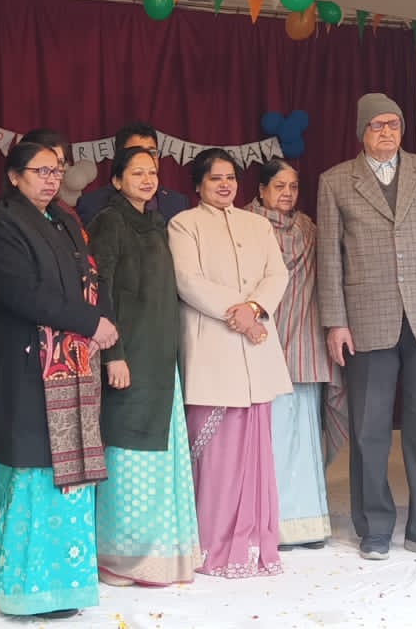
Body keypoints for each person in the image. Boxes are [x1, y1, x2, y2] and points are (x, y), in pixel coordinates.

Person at [0, 140, 120, 617]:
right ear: (14, 176)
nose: (51, 179)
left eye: (56, 171)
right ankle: (28, 591)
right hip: (25, 369)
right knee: (33, 471)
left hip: (72, 369)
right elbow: (22, 293)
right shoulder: (0, 226)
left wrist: (101, 320)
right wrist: (89, 322)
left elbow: (92, 278)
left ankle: (67, 588)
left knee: (70, 475)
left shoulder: (64, 221)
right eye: (40, 171)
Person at [316, 93, 416, 562]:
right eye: (377, 125)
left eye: (394, 124)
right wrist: (335, 321)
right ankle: (374, 526)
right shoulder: (335, 180)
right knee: (369, 429)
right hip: (366, 318)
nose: (387, 132)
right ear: (361, 131)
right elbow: (329, 257)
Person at [170, 148, 292, 578]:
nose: (225, 185)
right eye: (215, 178)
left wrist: (254, 308)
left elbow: (277, 275)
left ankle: (254, 544)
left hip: (255, 350)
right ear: (198, 185)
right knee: (216, 456)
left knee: (256, 452)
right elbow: (188, 281)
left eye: (230, 178)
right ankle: (212, 543)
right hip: (213, 347)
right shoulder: (183, 224)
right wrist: (239, 313)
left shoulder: (257, 224)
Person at [87, 146, 202, 586]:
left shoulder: (157, 225)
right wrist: (112, 354)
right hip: (128, 356)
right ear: (117, 180)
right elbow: (100, 291)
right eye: (137, 173)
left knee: (158, 454)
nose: (147, 180)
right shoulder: (109, 223)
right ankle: (118, 558)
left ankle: (157, 555)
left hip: (160, 357)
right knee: (126, 452)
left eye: (152, 172)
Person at [246, 157, 336, 549]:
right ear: (261, 189)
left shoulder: (308, 228)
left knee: (304, 434)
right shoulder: (245, 225)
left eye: (294, 186)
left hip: (303, 341)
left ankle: (309, 524)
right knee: (271, 435)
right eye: (279, 186)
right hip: (260, 341)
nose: (287, 193)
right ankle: (271, 524)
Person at [76, 121, 190, 224]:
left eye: (152, 152)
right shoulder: (92, 204)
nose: (146, 157)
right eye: (137, 152)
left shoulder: (177, 202)